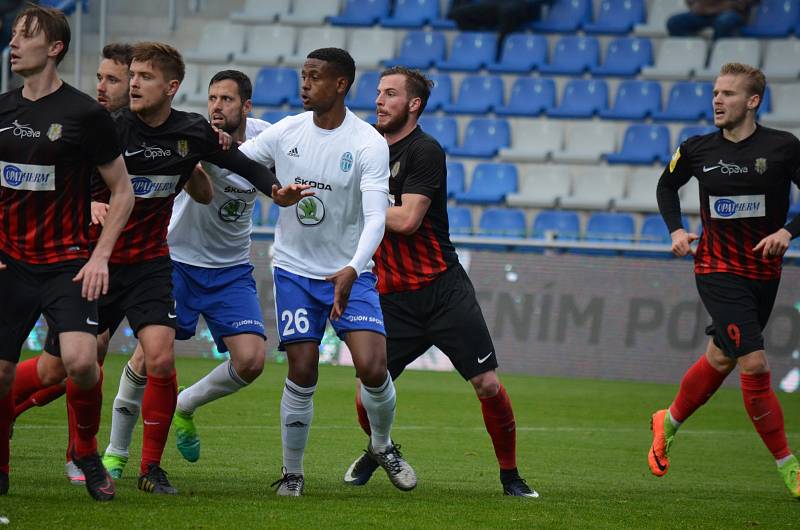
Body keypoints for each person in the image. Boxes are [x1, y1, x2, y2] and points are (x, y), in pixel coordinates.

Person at [12, 41, 308, 496]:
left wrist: (276, 190)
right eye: (131, 76)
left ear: (170, 87)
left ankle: (149, 467)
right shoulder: (107, 128)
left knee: (161, 357)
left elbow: (240, 163)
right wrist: (88, 204)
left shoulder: (189, 133)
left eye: (144, 77)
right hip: (99, 262)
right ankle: (40, 425)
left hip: (152, 264)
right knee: (62, 368)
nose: (133, 84)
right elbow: (73, 178)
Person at [341, 66, 538, 498]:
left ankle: (511, 477)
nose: (378, 100)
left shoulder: (425, 150)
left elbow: (409, 220)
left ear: (413, 104)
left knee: (487, 384)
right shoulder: (362, 148)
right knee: (364, 396)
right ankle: (381, 449)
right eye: (377, 92)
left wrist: (353, 203)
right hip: (390, 296)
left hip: (442, 290)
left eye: (390, 94)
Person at [238, 47, 416, 496]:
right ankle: (292, 473)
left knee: (373, 367)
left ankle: (381, 445)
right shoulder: (287, 132)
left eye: (314, 77)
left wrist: (354, 268)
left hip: (348, 270)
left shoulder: (366, 143)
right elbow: (241, 160)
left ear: (340, 85)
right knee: (302, 366)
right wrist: (270, 190)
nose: (304, 84)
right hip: (295, 270)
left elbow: (377, 218)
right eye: (303, 75)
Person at [100, 69, 272, 477]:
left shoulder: (270, 139)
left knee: (251, 360)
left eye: (227, 100)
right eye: (212, 98)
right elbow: (198, 191)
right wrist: (194, 166)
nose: (217, 106)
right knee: (147, 357)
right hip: (176, 261)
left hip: (230, 269)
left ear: (246, 107)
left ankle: (185, 404)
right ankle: (116, 452)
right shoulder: (191, 137)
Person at [0, 5, 135, 501]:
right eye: (12, 35)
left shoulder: (85, 114)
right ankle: (1, 463)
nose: (14, 44)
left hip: (66, 262)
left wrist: (100, 256)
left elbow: (123, 191)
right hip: (9, 262)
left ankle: (84, 450)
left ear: (55, 48)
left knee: (82, 362)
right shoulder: (2, 108)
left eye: (25, 36)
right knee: (0, 376)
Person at [652, 62, 800, 499]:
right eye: (716, 92)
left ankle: (668, 422)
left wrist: (787, 230)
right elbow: (666, 187)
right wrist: (676, 230)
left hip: (764, 273)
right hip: (716, 269)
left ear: (753, 101)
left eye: (729, 94)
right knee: (754, 363)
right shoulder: (696, 149)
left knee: (721, 357)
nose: (718, 100)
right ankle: (788, 465)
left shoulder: (783, 147)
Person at [666, 0, 755, 40]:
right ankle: (697, 50)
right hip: (703, 13)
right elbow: (692, 3)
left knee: (723, 22)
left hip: (731, 12)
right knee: (674, 23)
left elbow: (741, 4)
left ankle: (715, 53)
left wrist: (710, 7)